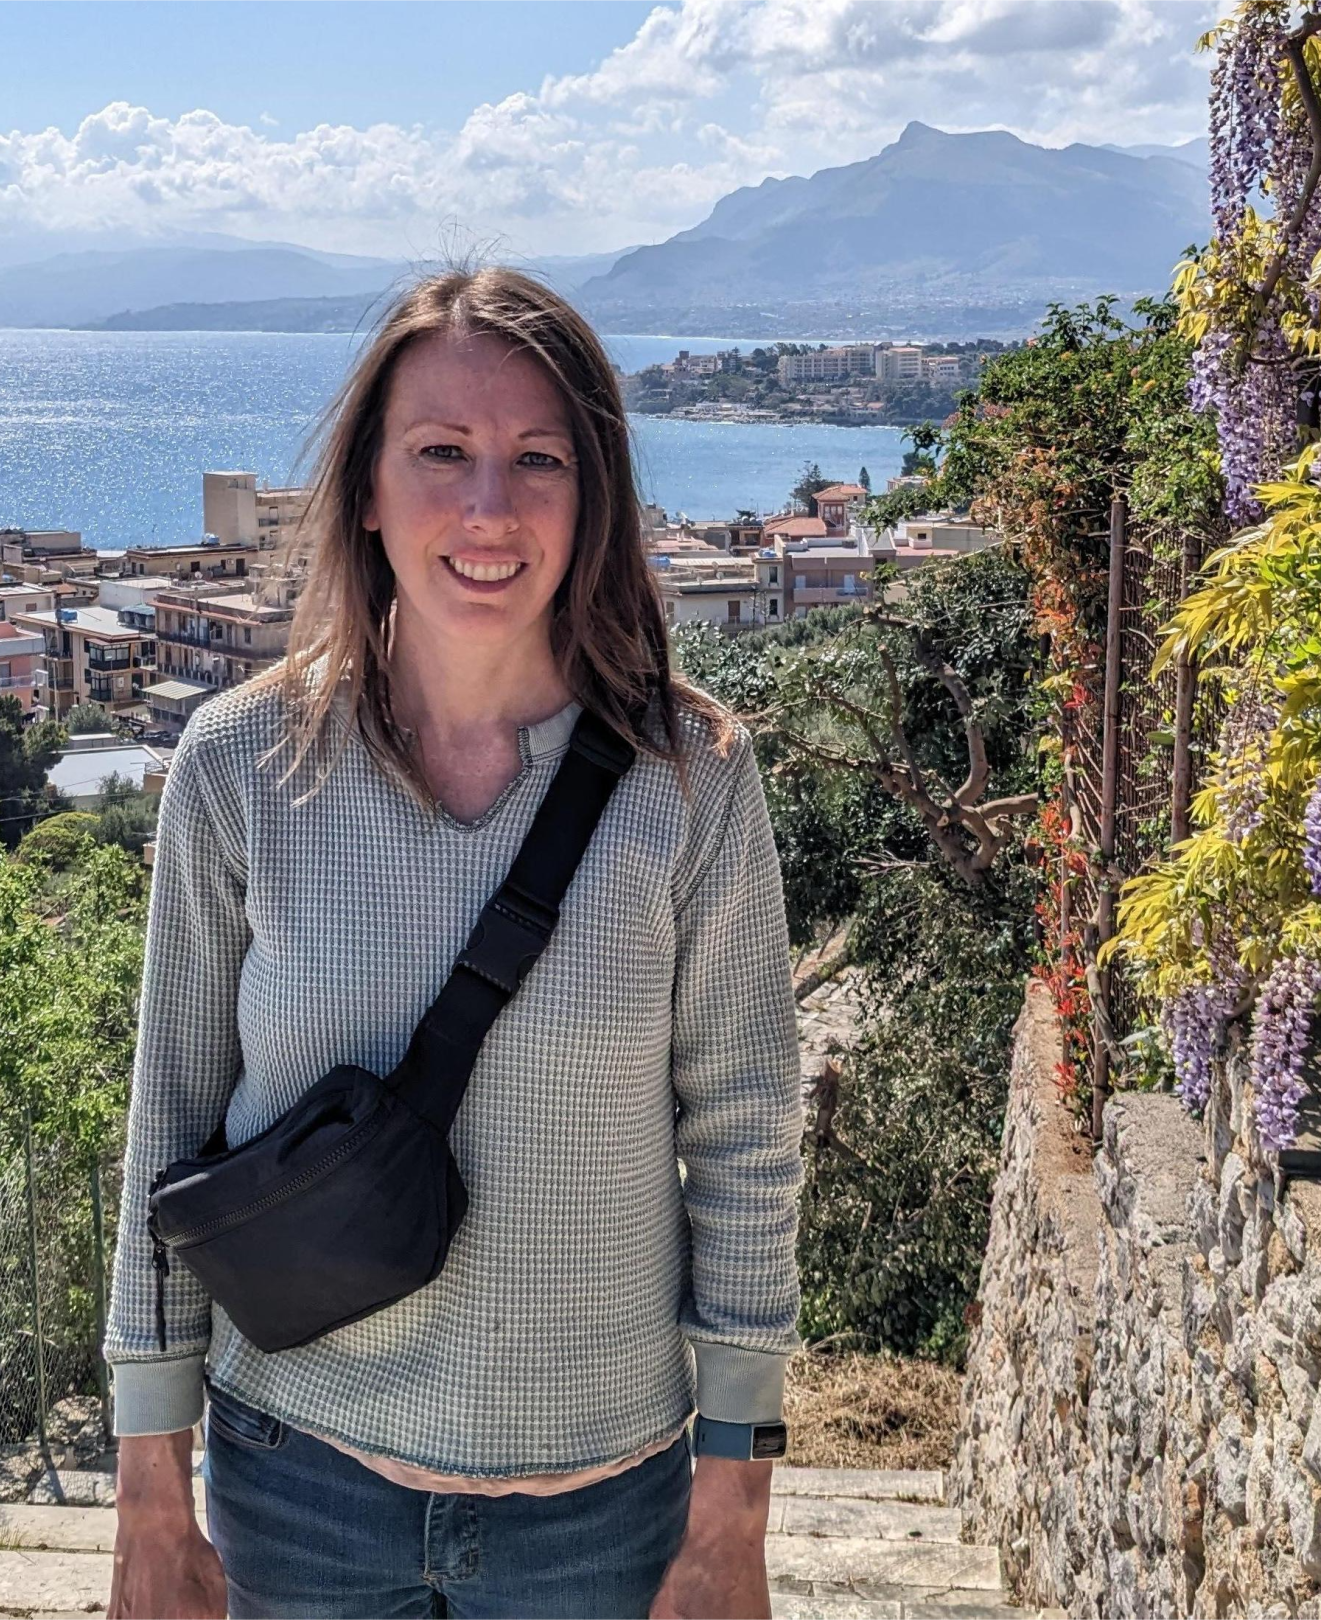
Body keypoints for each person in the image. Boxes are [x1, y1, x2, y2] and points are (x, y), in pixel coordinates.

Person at [101, 266, 803, 1619]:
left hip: (604, 1507)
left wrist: (736, 1508)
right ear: (367, 489)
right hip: (294, 1484)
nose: (489, 508)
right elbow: (167, 1125)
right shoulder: (240, 763)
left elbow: (746, 1145)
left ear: (591, 496)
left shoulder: (693, 780)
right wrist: (146, 1488)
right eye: (442, 453)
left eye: (538, 458)